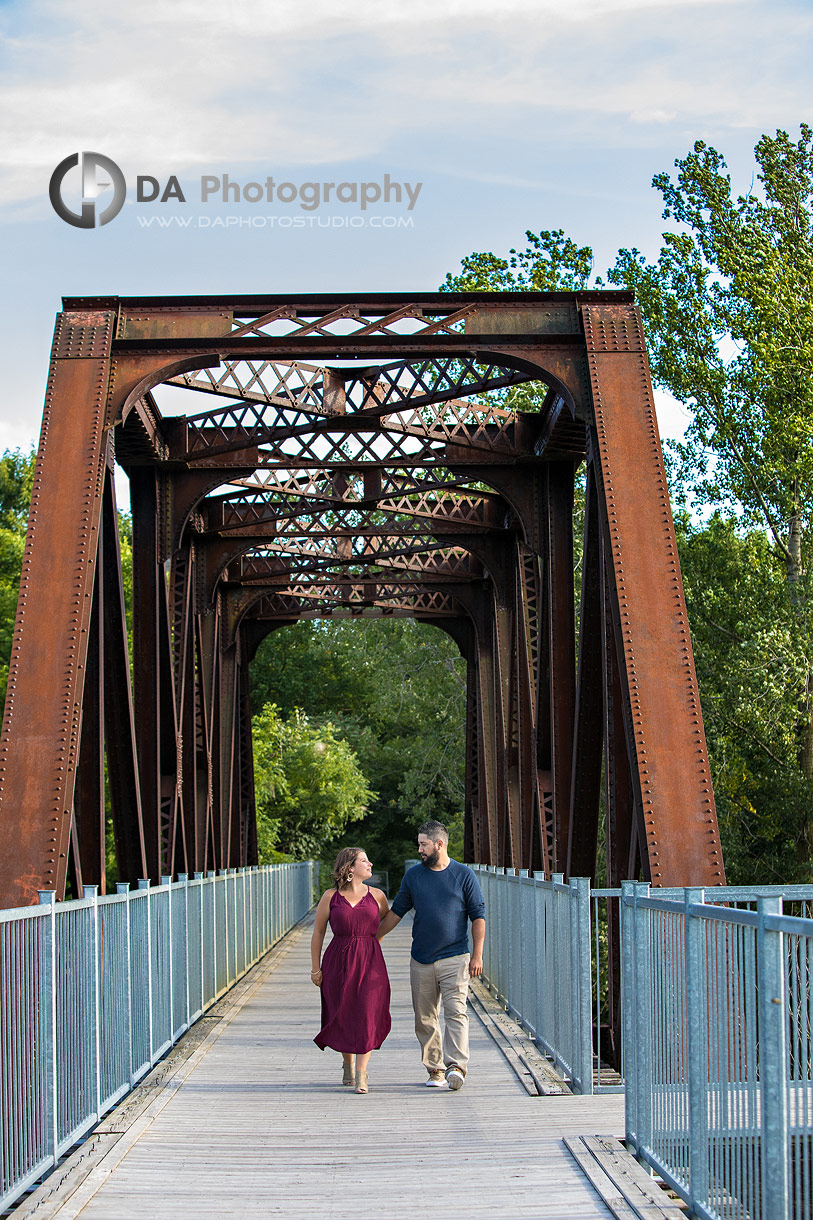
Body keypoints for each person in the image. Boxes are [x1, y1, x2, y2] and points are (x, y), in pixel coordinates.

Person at [378, 820, 485, 1090]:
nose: (420, 849)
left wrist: (477, 955)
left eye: (424, 844)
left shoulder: (463, 875)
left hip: (455, 957)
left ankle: (457, 1066)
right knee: (424, 1018)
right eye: (419, 844)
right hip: (421, 959)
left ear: (440, 844)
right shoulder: (414, 876)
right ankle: (435, 1069)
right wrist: (375, 938)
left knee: (456, 1012)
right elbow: (396, 912)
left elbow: (478, 917)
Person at [311, 847, 391, 1094]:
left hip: (370, 961)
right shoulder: (330, 897)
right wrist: (316, 969)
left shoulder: (377, 896)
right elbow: (318, 933)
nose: (370, 864)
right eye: (364, 861)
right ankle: (348, 1062)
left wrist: (370, 941)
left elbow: (387, 923)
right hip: (338, 961)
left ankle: (362, 1073)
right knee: (343, 1012)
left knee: (367, 1011)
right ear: (349, 868)